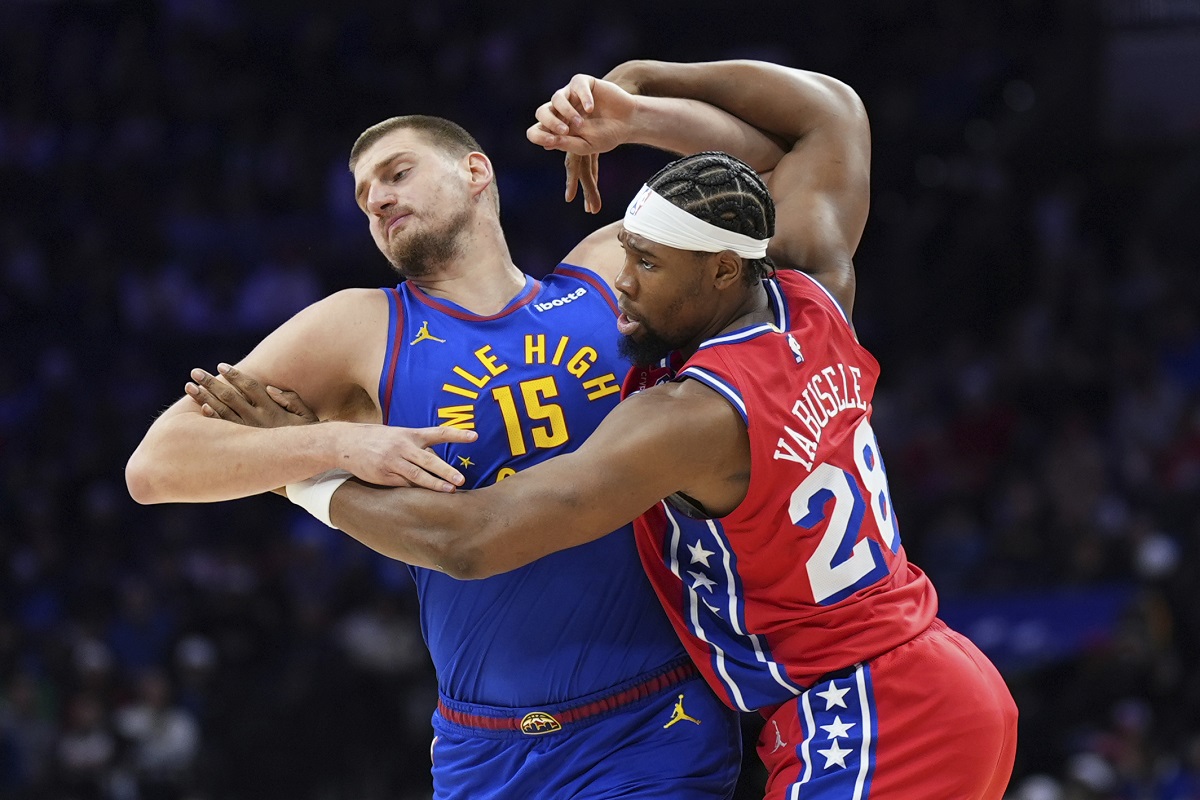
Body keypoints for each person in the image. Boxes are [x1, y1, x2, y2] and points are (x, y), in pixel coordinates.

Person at [196, 65, 1020, 798]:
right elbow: (832, 114)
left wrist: (301, 473)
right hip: (929, 674)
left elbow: (475, 540)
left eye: (649, 268)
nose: (620, 288)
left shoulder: (689, 414)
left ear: (721, 269)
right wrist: (638, 103)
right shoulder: (812, 289)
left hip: (861, 707)